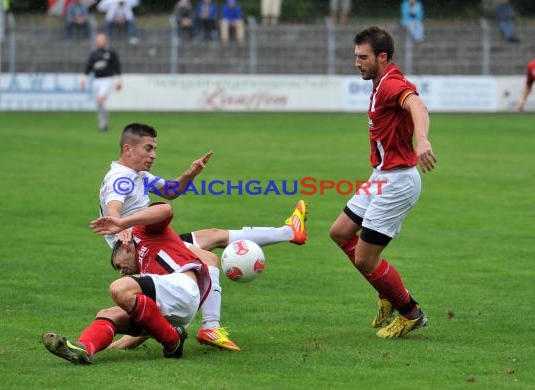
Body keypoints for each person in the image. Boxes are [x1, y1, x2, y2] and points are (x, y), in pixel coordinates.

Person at [99, 123, 308, 350]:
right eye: (148, 149)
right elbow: (113, 209)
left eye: (154, 149)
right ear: (128, 149)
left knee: (213, 236)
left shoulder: (138, 176)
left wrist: (190, 174)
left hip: (152, 238)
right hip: (140, 248)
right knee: (206, 261)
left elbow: (171, 191)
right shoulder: (120, 178)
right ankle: (210, 327)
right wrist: (121, 226)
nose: (153, 155)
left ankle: (289, 232)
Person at [329, 26, 436, 339]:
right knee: (340, 232)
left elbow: (416, 104)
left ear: (382, 57)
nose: (357, 63)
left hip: (398, 181)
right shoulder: (379, 83)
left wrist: (423, 139)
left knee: (365, 258)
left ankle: (410, 312)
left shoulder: (392, 85)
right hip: (382, 176)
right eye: (356, 57)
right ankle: (386, 289)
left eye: (363, 57)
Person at [43, 203, 212, 364]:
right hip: (173, 312)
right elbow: (147, 314)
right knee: (109, 313)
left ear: (125, 247)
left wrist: (124, 223)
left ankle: (172, 340)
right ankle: (83, 348)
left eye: (118, 264)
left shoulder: (141, 232)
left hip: (183, 287)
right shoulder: (146, 277)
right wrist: (118, 345)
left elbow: (166, 209)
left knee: (119, 287)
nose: (121, 271)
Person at [81, 32, 121, 132]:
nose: (100, 42)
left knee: (100, 100)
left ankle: (103, 125)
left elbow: (117, 67)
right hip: (96, 81)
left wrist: (119, 80)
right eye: (98, 40)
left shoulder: (111, 53)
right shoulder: (93, 54)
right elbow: (88, 67)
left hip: (107, 80)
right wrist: (84, 79)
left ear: (105, 41)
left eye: (102, 40)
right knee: (99, 104)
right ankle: (104, 124)